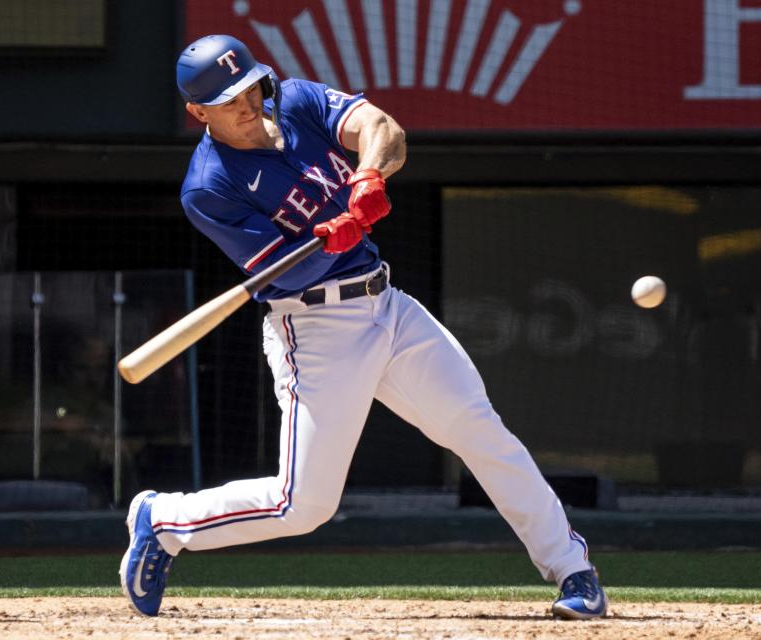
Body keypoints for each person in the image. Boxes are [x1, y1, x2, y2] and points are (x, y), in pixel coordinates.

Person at [119, 34, 608, 621]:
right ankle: (164, 521)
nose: (247, 103)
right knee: (302, 506)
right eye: (229, 99)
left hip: (388, 303)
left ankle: (572, 569)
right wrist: (331, 236)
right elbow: (285, 269)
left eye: (250, 86)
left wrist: (368, 177)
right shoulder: (208, 186)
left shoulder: (295, 102)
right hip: (315, 326)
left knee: (481, 431)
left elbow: (383, 129)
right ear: (198, 112)